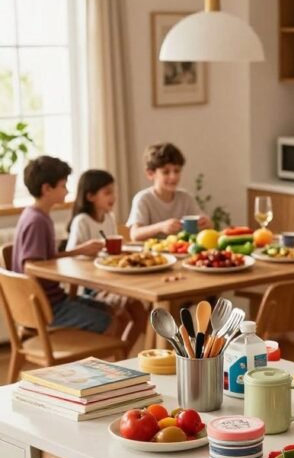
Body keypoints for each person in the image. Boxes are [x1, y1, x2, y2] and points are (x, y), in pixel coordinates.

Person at [12, 156, 128, 338]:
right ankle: (98, 364)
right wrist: (75, 253)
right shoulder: (37, 221)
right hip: (48, 306)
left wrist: (79, 251)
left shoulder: (34, 215)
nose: (67, 191)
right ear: (47, 189)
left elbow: (43, 260)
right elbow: (32, 266)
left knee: (115, 311)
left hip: (49, 301)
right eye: (63, 186)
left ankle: (101, 361)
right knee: (109, 321)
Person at [65, 169, 146, 349]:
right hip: (90, 287)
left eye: (113, 191)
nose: (113, 196)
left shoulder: (109, 218)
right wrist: (88, 250)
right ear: (91, 196)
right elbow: (70, 255)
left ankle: (121, 356)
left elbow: (112, 252)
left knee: (140, 313)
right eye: (107, 192)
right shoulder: (82, 221)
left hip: (111, 280)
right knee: (126, 312)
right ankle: (114, 358)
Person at [127, 142, 212, 241]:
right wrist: (161, 227)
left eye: (177, 171)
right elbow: (135, 234)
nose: (173, 177)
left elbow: (208, 225)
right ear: (150, 174)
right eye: (166, 172)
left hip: (182, 251)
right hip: (153, 254)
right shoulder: (143, 199)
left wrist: (207, 223)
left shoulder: (186, 198)